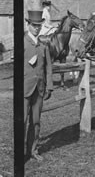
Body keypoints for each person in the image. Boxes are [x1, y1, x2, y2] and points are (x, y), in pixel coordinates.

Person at [24, 10, 53, 161]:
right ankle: (20, 153)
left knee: (35, 121)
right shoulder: (22, 42)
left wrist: (49, 86)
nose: (37, 28)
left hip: (39, 89)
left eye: (39, 26)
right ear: (28, 24)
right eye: (34, 25)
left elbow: (48, 67)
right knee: (21, 121)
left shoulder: (43, 45)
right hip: (24, 90)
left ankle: (33, 150)